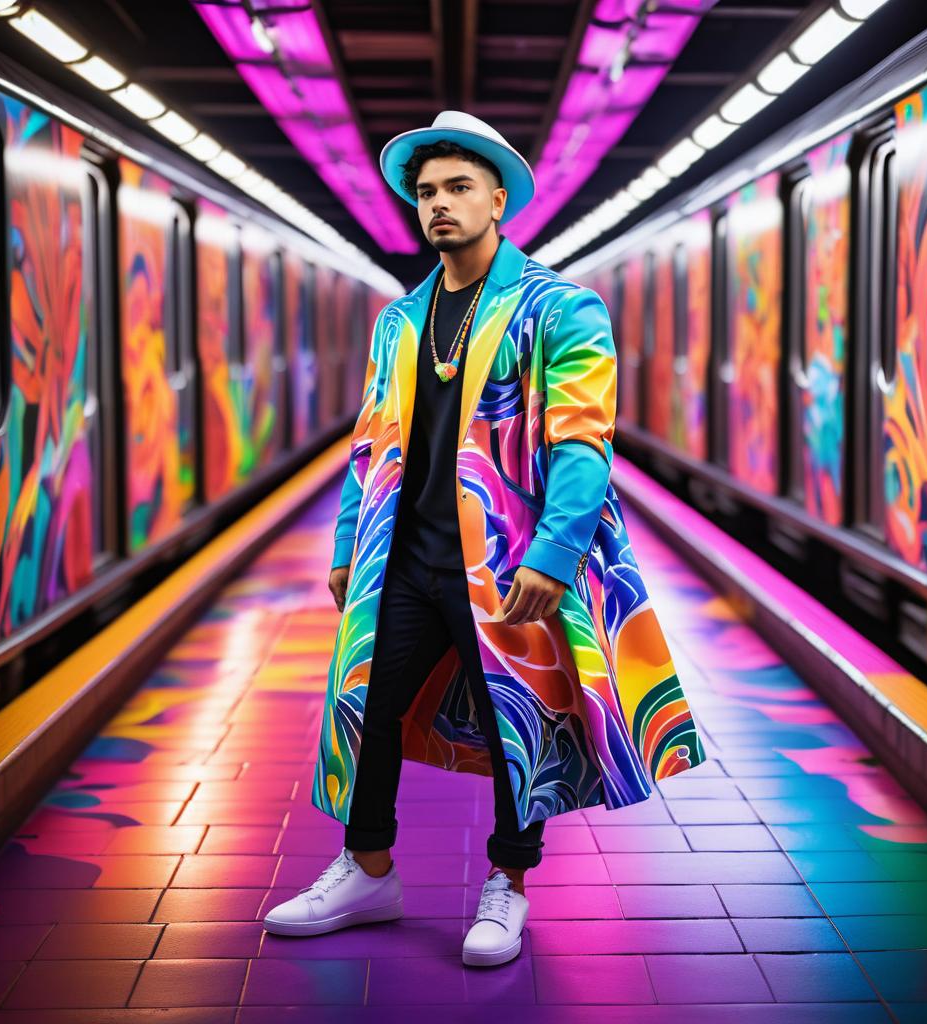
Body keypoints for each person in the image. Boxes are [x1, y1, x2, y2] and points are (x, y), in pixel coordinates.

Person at [264, 111, 707, 968]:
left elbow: (584, 441)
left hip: (504, 563)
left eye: (458, 187)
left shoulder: (560, 307)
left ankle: (510, 882)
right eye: (426, 192)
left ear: (498, 199)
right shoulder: (399, 320)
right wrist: (348, 547)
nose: (438, 205)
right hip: (404, 557)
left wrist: (555, 552)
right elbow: (371, 444)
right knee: (368, 709)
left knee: (520, 717)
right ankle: (367, 869)